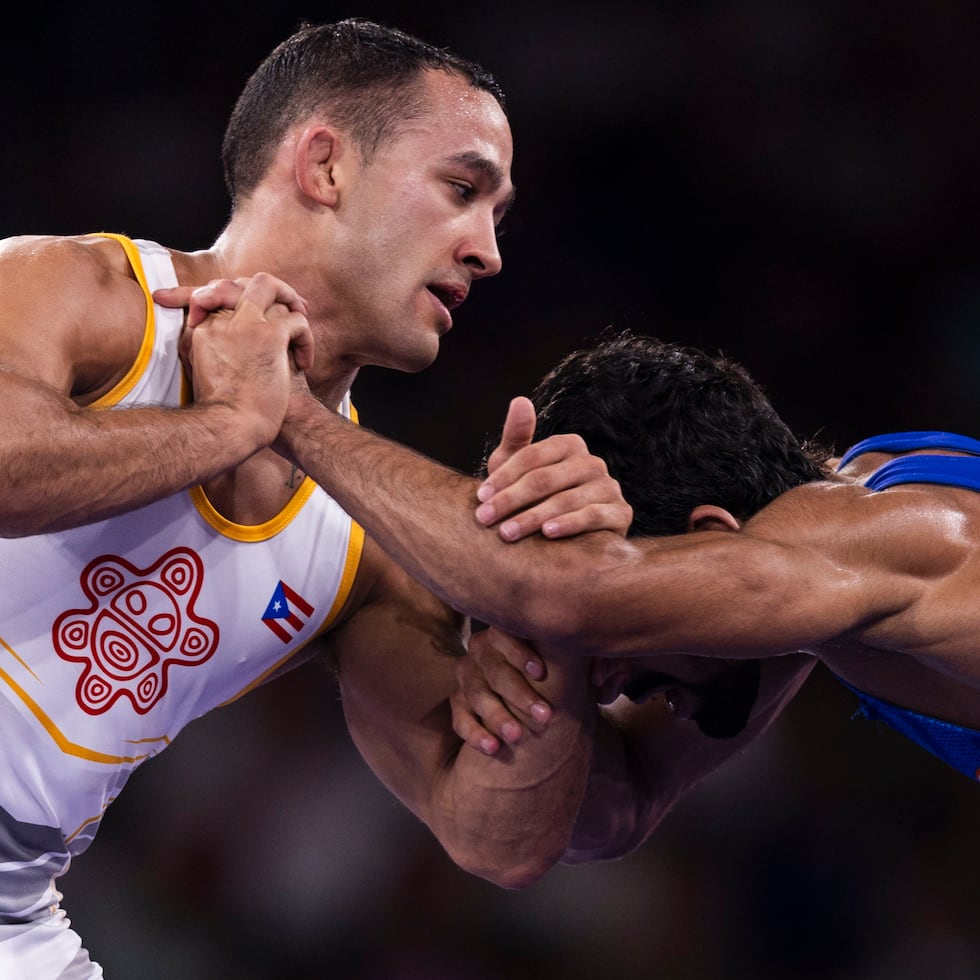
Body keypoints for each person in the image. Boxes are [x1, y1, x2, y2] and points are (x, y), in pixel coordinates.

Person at [0, 19, 633, 977]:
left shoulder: (366, 547)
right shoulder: (79, 290)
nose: (488, 250)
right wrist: (225, 426)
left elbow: (495, 840)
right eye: (463, 191)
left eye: (498, 215)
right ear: (326, 166)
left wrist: (561, 619)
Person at [254, 327, 980, 884]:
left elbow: (566, 594)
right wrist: (550, 660)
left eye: (619, 638)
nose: (613, 683)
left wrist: (288, 415)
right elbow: (611, 811)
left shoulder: (888, 539)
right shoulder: (814, 587)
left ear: (710, 543)